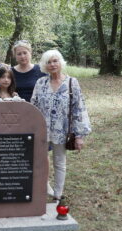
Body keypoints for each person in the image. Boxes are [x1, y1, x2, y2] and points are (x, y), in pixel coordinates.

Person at [30, 49, 91, 200]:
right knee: (38, 162)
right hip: (41, 130)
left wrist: (79, 135)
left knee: (59, 162)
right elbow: (33, 106)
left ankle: (58, 194)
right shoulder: (40, 83)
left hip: (62, 131)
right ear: (44, 66)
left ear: (61, 62)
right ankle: (42, 188)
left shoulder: (72, 83)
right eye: (48, 62)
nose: (52, 64)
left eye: (55, 61)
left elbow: (79, 109)